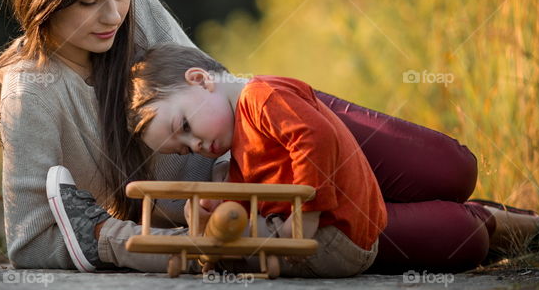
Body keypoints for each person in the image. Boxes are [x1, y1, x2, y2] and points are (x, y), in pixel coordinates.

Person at [0, 0, 539, 276]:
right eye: (89, 1)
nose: (113, 16)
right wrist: (126, 238)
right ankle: (502, 225)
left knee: (452, 167)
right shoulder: (32, 90)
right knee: (455, 236)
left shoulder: (142, 12)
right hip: (244, 211)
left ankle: (478, 207)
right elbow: (28, 243)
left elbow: (218, 94)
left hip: (274, 126)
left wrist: (282, 150)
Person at [128, 44, 388, 278]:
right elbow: (245, 196)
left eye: (185, 125)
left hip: (330, 234)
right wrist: (213, 206)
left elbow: (316, 139)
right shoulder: (240, 138)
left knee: (224, 245)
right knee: (220, 210)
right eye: (186, 150)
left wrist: (305, 215)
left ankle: (207, 257)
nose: (195, 145)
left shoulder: (261, 97)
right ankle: (209, 248)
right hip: (333, 238)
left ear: (200, 80)